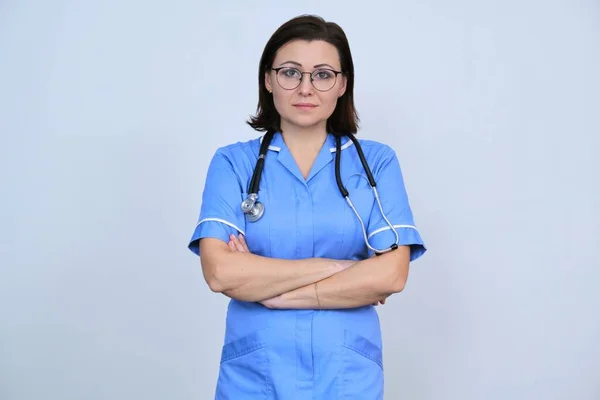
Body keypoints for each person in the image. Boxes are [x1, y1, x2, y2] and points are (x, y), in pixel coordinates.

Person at [187, 14, 426, 399]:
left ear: (342, 84)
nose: (306, 88)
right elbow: (220, 272)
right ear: (268, 79)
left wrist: (271, 288)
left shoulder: (375, 163)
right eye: (290, 72)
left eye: (323, 74)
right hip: (255, 376)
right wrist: (345, 269)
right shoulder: (234, 164)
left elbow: (391, 277)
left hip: (346, 376)